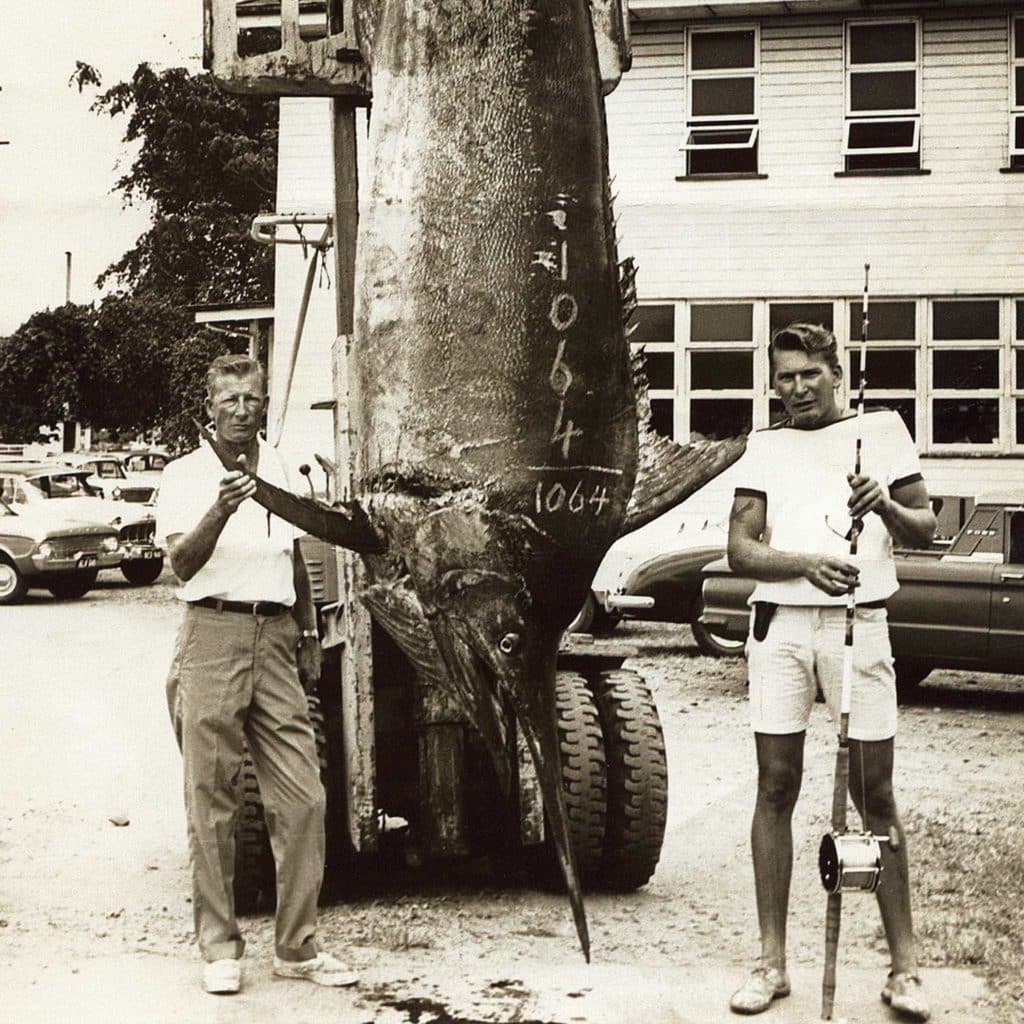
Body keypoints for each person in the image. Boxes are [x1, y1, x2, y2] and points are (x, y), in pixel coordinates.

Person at [726, 324, 935, 1021]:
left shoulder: (883, 431)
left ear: (835, 371)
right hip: (781, 628)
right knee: (776, 785)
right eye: (783, 377)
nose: (795, 388)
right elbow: (741, 550)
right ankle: (771, 962)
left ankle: (906, 969)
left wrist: (884, 503)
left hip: (860, 623)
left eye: (808, 374)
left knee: (874, 794)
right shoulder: (766, 445)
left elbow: (927, 529)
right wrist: (802, 565)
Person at [157, 354, 357, 995]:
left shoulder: (278, 465)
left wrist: (305, 630)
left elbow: (293, 553)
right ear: (208, 408)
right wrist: (218, 510)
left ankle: (297, 946)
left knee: (303, 798)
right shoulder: (184, 475)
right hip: (211, 634)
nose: (242, 411)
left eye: (251, 400)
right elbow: (182, 567)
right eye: (229, 402)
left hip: (276, 636)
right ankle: (220, 947)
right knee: (211, 802)